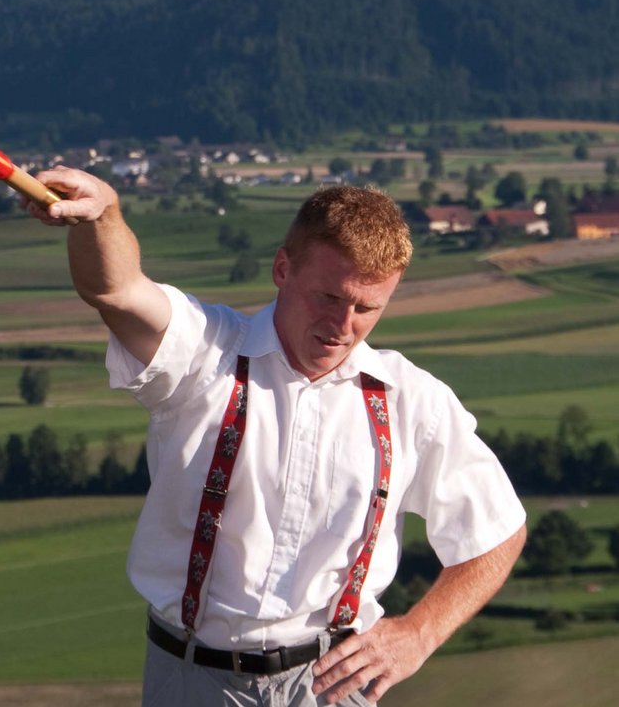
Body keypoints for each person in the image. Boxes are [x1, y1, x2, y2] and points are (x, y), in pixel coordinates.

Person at [26, 168, 525, 706]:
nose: (343, 324)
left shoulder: (412, 401)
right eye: (329, 297)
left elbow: (498, 532)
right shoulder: (205, 352)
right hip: (193, 679)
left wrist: (419, 634)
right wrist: (104, 216)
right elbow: (115, 288)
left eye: (366, 308)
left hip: (332, 685)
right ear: (282, 268)